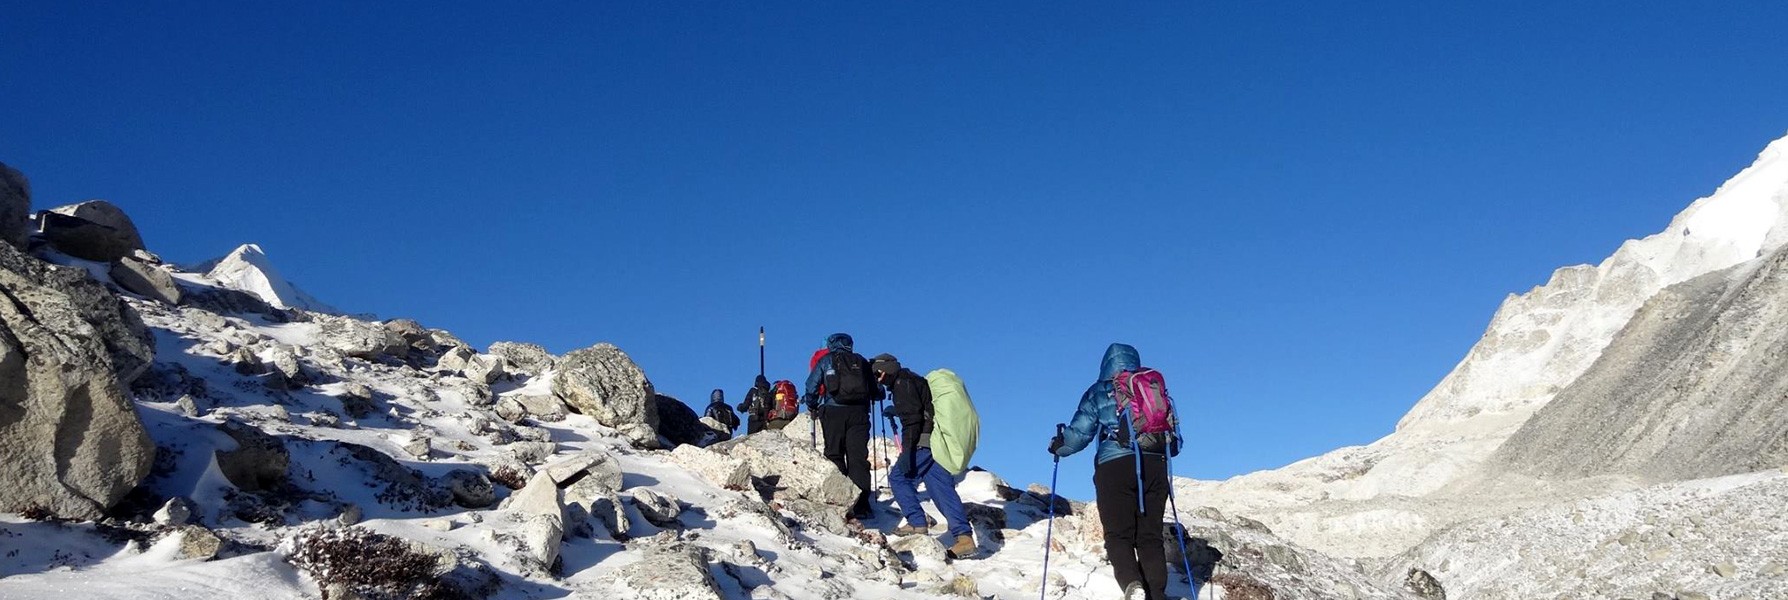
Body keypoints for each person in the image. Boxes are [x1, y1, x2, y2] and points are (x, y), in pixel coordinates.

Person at [1049, 343, 1170, 600]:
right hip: (1155, 466)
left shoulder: (1100, 390)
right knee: (1150, 537)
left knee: (1118, 535)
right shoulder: (1152, 387)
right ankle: (1158, 595)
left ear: (1105, 364)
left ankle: (1133, 585)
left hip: (1115, 467)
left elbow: (1079, 435)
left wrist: (1059, 447)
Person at [872, 353, 974, 558]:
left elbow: (913, 422)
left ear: (888, 369)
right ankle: (965, 538)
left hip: (922, 443)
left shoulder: (902, 384)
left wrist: (908, 452)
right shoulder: (912, 380)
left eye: (878, 373)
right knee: (940, 487)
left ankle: (917, 522)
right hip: (934, 442)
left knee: (898, 478)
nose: (878, 379)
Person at [804, 333, 876, 522]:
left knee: (834, 453)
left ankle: (841, 499)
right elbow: (875, 390)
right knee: (858, 458)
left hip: (833, 411)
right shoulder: (861, 361)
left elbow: (812, 384)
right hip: (859, 414)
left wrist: (812, 404)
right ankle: (862, 505)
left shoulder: (827, 360)